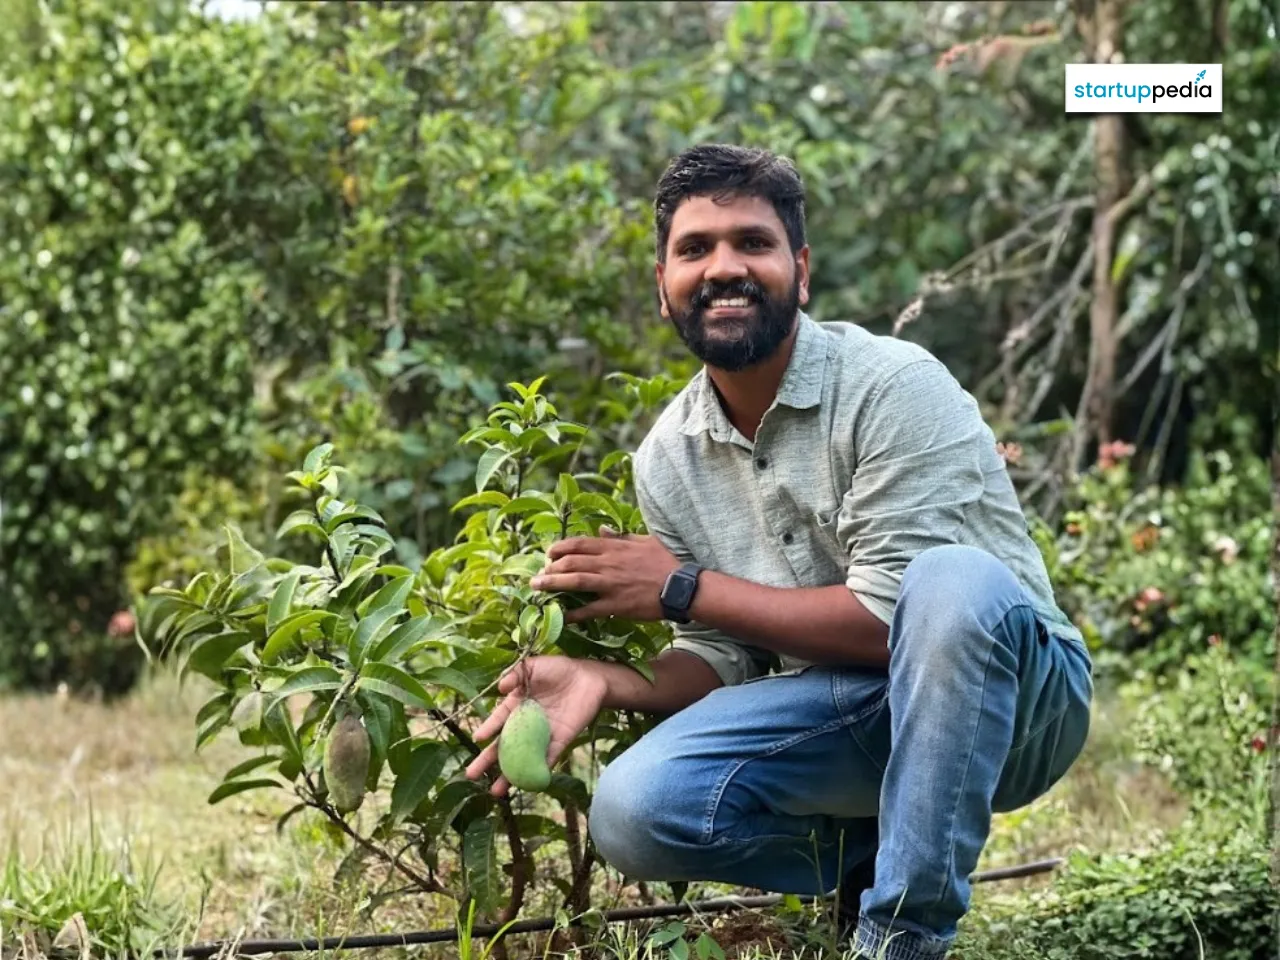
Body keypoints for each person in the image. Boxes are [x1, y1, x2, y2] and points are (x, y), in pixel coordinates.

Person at [465, 144, 1094, 960]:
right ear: (664, 287)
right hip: (856, 718)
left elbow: (896, 622)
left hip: (1015, 703)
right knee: (632, 807)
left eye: (751, 243)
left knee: (948, 583)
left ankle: (900, 936)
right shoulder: (667, 460)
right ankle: (864, 865)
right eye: (695, 249)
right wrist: (604, 679)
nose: (723, 267)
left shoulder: (894, 385)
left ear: (800, 271)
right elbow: (721, 655)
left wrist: (681, 588)